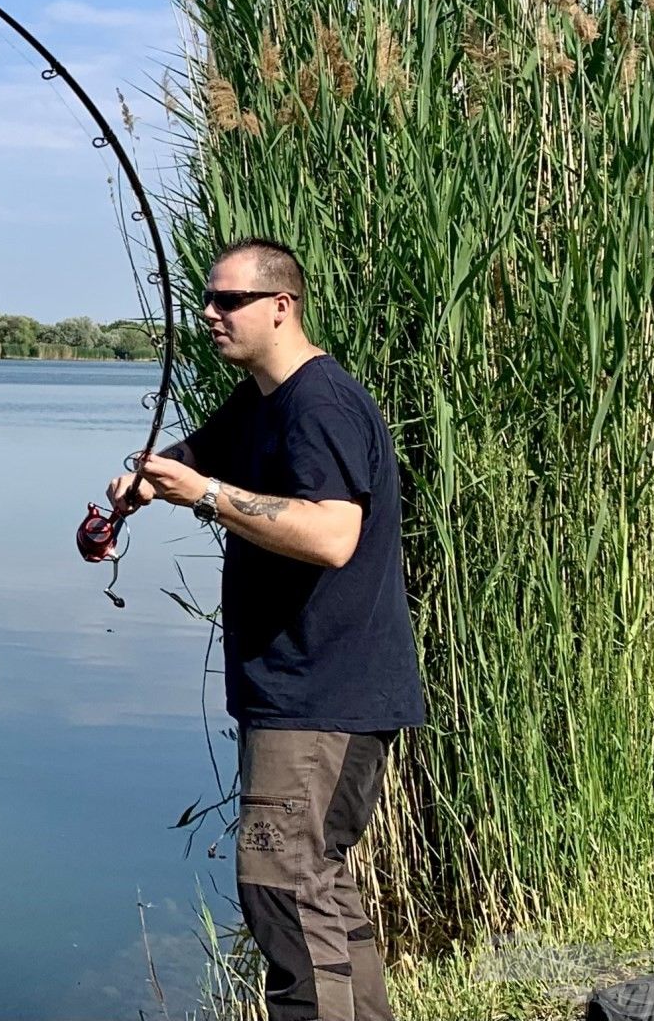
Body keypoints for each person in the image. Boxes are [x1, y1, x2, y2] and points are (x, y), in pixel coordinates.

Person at [105, 237, 425, 1021]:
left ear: (282, 306)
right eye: (208, 300)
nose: (210, 313)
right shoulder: (262, 399)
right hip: (300, 695)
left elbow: (331, 535)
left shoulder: (321, 404)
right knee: (316, 887)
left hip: (323, 698)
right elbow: (198, 454)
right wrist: (145, 481)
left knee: (280, 888)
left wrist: (207, 495)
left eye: (228, 301)